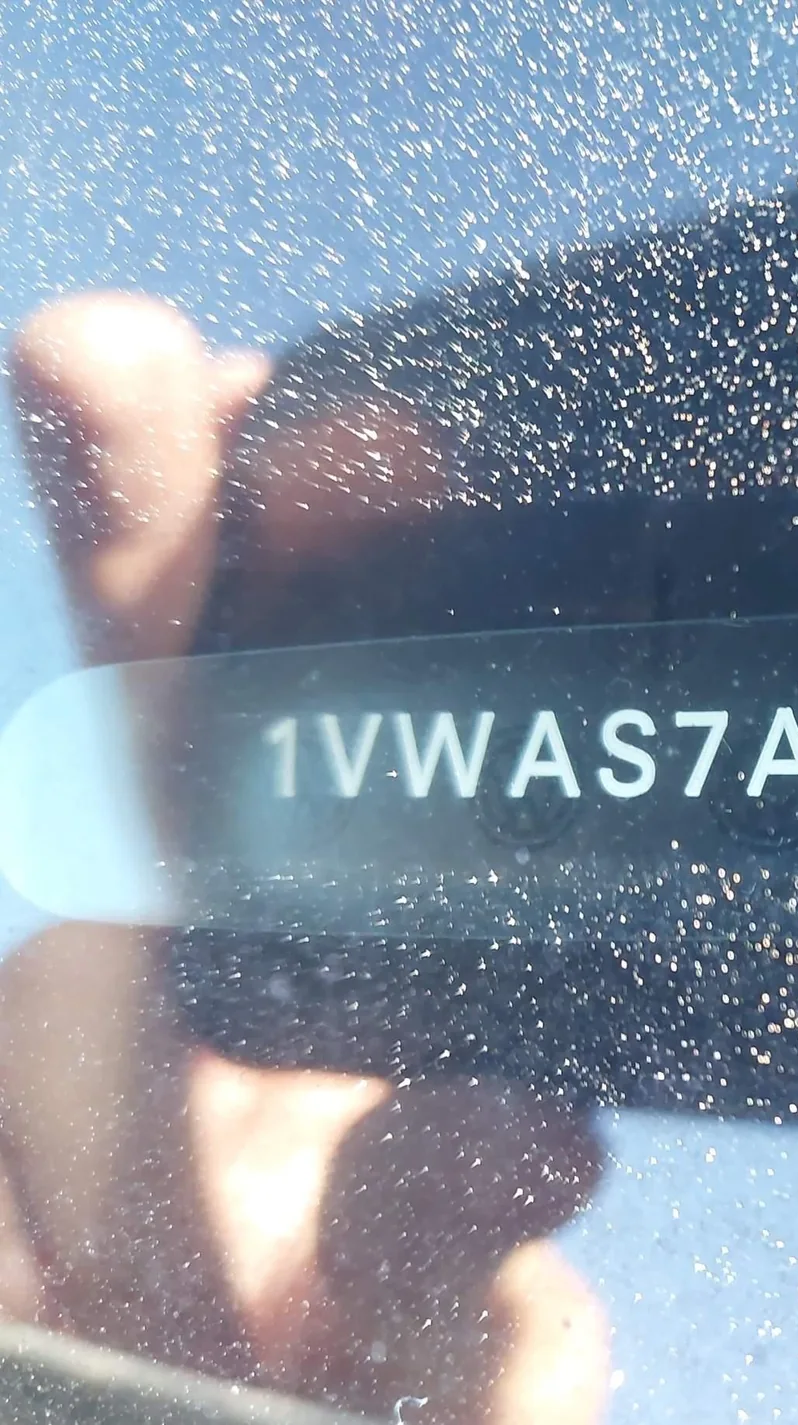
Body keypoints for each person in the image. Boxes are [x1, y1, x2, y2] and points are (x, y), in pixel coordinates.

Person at [1, 291, 609, 1425]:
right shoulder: (89, 987)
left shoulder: (516, 1290)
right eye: (309, 613)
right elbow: (91, 367)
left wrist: (398, 1319)